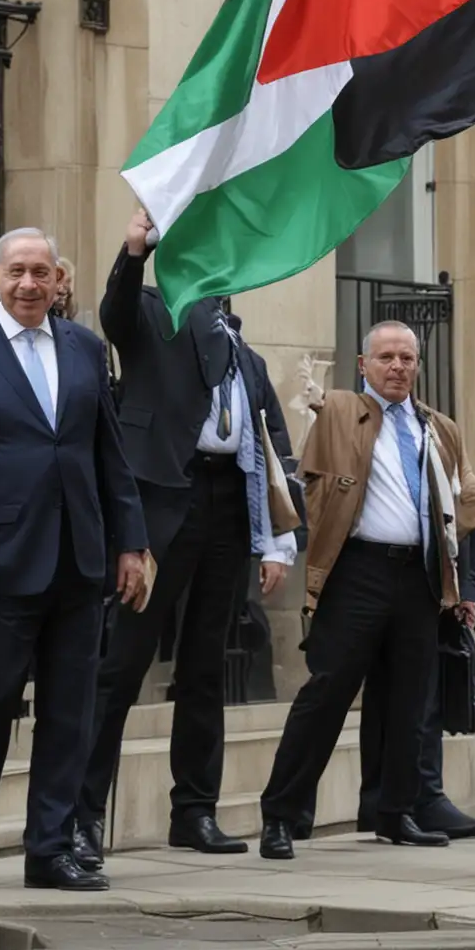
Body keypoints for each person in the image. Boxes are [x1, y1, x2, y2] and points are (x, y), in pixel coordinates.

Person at [0, 226, 151, 893]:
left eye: (40, 273)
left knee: (69, 711)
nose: (29, 284)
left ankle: (48, 849)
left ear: (57, 281)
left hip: (80, 558)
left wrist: (130, 543)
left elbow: (110, 453)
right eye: (17, 272)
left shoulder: (83, 347)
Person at [73, 206, 300, 864]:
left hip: (227, 506)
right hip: (160, 503)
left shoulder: (243, 351)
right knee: (122, 667)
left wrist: (278, 541)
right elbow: (113, 314)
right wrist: (134, 250)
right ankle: (84, 815)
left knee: (207, 667)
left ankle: (194, 810)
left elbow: (270, 440)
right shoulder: (153, 312)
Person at [258, 322, 475, 859]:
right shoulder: (338, 411)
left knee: (410, 700)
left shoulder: (440, 428)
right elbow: (306, 455)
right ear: (364, 365)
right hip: (356, 570)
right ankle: (282, 817)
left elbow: (461, 508)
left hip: (419, 576)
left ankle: (395, 810)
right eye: (386, 357)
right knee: (327, 692)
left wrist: (462, 585)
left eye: (407, 357)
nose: (398, 367)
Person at [355, 523, 475, 838]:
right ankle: (408, 798)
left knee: (415, 689)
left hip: (430, 573)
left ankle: (413, 796)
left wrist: (468, 589)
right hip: (380, 569)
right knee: (392, 690)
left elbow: (469, 510)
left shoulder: (450, 472)